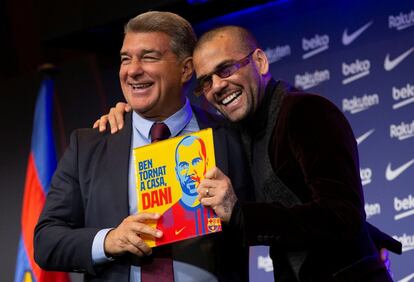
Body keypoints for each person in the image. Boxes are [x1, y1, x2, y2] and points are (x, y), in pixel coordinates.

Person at [97, 25, 402, 281]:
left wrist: (241, 214)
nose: (217, 86)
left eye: (226, 69)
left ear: (260, 62)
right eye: (206, 81)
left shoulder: (307, 113)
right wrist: (134, 114)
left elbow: (342, 216)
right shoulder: (237, 130)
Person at [34, 13, 252, 282]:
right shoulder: (88, 145)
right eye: (126, 59)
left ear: (185, 70)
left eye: (148, 57)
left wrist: (236, 209)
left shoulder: (231, 137)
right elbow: (46, 241)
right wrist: (109, 240)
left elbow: (274, 220)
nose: (132, 70)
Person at [155, 135, 221, 246]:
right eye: (184, 165)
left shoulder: (220, 207)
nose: (190, 172)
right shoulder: (165, 219)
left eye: (196, 162)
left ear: (206, 162)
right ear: (177, 172)